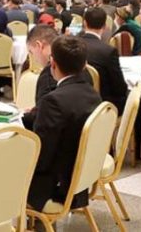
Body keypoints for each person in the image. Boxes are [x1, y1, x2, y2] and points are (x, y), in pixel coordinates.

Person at [28, 35, 101, 212]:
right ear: (84, 65)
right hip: (79, 180)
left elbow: (42, 157)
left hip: (55, 187)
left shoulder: (53, 101)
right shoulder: (93, 95)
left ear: (52, 63)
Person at [82, 7, 128, 113]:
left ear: (85, 23)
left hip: (76, 101)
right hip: (103, 105)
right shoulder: (108, 51)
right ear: (105, 26)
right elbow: (119, 88)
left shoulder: (72, 45)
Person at [21, 24, 59, 128]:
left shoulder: (50, 73)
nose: (33, 58)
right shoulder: (76, 65)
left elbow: (43, 117)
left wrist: (23, 117)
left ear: (39, 46)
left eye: (31, 52)